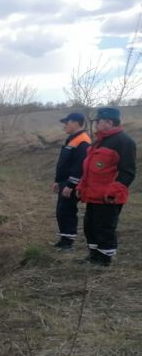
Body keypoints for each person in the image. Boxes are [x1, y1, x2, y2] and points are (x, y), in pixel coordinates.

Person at [76, 107, 137, 266]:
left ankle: (104, 260)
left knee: (104, 228)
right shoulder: (99, 141)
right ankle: (94, 256)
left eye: (98, 121)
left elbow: (127, 172)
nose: (96, 124)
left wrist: (112, 192)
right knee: (90, 226)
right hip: (92, 195)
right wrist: (82, 187)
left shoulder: (124, 142)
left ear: (109, 122)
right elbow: (89, 168)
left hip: (108, 197)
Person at [52, 112, 91, 250]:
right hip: (64, 181)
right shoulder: (72, 138)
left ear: (76, 123)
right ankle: (64, 238)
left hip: (71, 183)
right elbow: (64, 162)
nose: (64, 126)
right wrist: (57, 180)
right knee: (62, 210)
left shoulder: (83, 140)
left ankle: (67, 242)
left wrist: (70, 185)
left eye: (66, 123)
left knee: (67, 210)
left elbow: (80, 166)